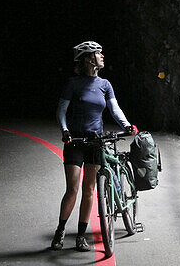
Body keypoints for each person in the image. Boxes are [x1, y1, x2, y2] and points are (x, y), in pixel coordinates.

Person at [52, 41, 137, 251]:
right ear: (89, 58)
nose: (102, 56)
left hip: (96, 140)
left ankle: (81, 236)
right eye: (99, 54)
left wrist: (126, 125)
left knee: (89, 190)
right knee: (72, 189)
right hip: (76, 141)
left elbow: (114, 109)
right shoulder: (73, 83)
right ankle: (60, 232)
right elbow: (61, 110)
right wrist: (65, 131)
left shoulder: (105, 84)